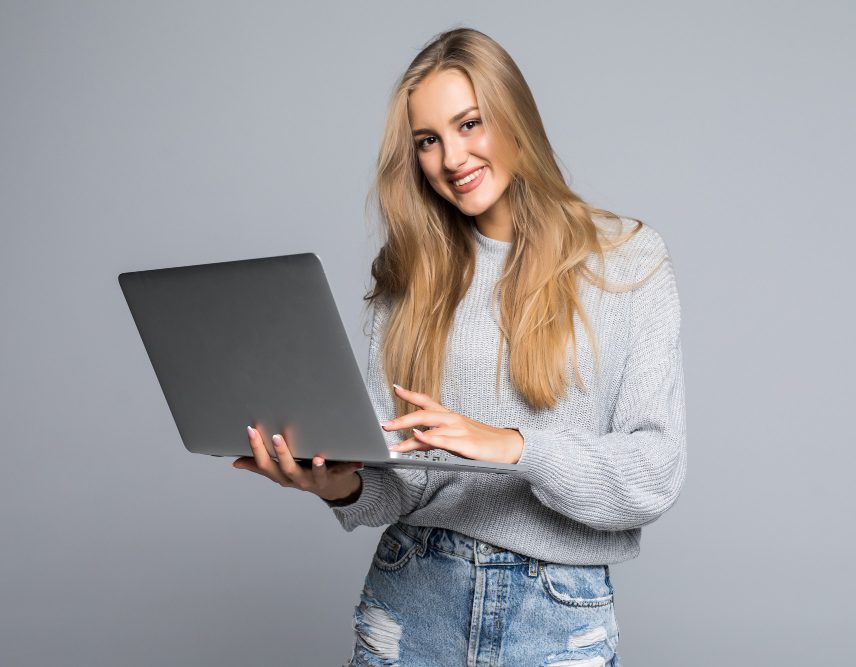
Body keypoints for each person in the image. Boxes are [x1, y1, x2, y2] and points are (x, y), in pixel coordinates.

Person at [233, 27, 686, 667]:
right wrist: (342, 486)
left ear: (513, 115)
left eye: (469, 123)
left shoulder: (628, 261)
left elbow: (654, 473)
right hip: (412, 597)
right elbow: (403, 478)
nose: (451, 158)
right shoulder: (410, 273)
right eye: (428, 141)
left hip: (555, 617)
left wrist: (514, 447)